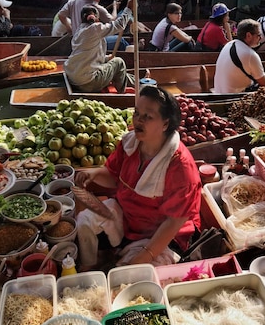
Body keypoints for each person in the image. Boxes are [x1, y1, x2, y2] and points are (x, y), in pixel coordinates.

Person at [73, 84, 202, 267]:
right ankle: (88, 269)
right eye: (136, 113)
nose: (138, 120)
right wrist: (92, 175)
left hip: (162, 233)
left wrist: (144, 256)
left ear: (165, 123)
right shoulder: (130, 144)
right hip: (128, 216)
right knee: (84, 221)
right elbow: (113, 175)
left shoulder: (180, 167)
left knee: (132, 275)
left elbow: (173, 223)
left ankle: (121, 261)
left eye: (147, 116)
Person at [64, 0, 135, 93]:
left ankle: (135, 82)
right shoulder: (95, 28)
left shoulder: (78, 31)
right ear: (97, 19)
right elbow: (119, 25)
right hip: (88, 83)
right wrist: (129, 8)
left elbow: (88, 55)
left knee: (114, 64)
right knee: (119, 62)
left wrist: (106, 58)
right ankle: (122, 94)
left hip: (74, 79)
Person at [58, 0, 129, 51]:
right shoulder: (95, 7)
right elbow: (113, 21)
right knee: (120, 41)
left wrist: (69, 28)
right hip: (91, 44)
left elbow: (61, 15)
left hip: (76, 42)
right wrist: (115, 8)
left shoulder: (73, 1)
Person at [213, 19, 265, 93]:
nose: (261, 38)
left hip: (219, 93)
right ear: (248, 35)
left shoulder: (230, 44)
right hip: (234, 97)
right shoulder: (250, 54)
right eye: (259, 35)